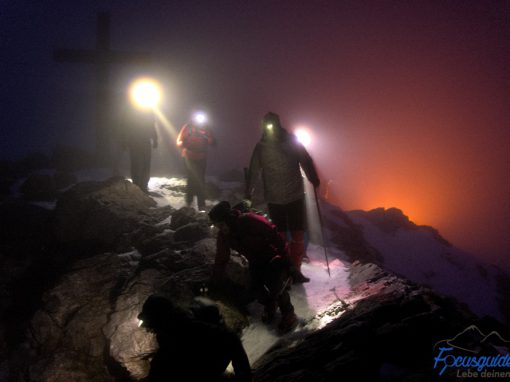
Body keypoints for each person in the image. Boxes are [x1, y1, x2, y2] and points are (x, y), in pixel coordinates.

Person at [246, 112, 320, 283]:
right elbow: (306, 160)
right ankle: (290, 270)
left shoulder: (262, 146)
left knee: (288, 236)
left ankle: (291, 270)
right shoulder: (286, 142)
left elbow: (254, 171)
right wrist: (313, 178)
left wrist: (248, 192)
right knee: (291, 236)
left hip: (281, 196)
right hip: (286, 196)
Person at [209, 201, 298, 333]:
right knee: (255, 289)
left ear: (227, 219)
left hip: (272, 255)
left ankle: (288, 313)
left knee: (275, 285)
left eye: (221, 224)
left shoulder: (249, 220)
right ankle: (270, 304)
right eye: (217, 226)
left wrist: (286, 260)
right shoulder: (224, 235)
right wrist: (216, 278)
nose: (220, 228)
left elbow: (274, 234)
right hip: (255, 260)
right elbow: (222, 257)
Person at [138, 295, 252, 382]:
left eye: (152, 325)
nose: (151, 330)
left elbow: (230, 339)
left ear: (161, 320)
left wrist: (243, 376)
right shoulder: (169, 336)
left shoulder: (188, 329)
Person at [176, 116, 215, 210]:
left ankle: (201, 205)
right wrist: (184, 144)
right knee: (191, 179)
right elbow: (179, 141)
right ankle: (189, 203)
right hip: (189, 157)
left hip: (201, 157)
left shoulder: (206, 129)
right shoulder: (188, 128)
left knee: (200, 180)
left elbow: (212, 141)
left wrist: (208, 138)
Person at [122, 107, 158, 193]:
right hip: (135, 142)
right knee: (136, 164)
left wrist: (155, 139)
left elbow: (151, 126)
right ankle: (137, 185)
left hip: (143, 142)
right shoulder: (132, 111)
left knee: (144, 164)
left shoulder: (148, 111)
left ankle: (143, 186)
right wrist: (124, 141)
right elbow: (126, 126)